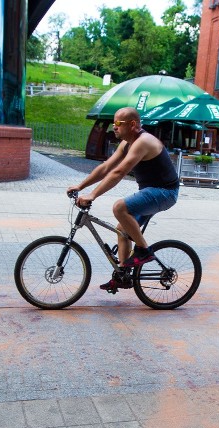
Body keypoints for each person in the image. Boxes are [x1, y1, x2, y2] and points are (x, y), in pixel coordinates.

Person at [67, 107, 180, 292]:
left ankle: (144, 250)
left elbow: (119, 172)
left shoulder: (143, 142)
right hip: (152, 191)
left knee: (119, 208)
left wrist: (93, 195)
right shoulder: (127, 143)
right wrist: (81, 187)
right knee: (122, 229)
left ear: (133, 124)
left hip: (165, 192)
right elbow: (106, 167)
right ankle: (123, 275)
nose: (114, 127)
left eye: (118, 123)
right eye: (114, 123)